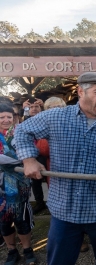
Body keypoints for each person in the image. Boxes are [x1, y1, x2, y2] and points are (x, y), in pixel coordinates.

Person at [14, 72, 96, 265]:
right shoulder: (55, 117)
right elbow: (22, 131)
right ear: (80, 91)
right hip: (65, 211)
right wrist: (29, 159)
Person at [0, 104, 37, 265]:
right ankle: (11, 250)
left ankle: (28, 249)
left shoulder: (21, 132)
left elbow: (31, 151)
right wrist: (17, 158)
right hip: (1, 186)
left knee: (21, 218)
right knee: (4, 219)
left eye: (9, 116)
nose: (6, 120)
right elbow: (20, 156)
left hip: (20, 183)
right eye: (2, 117)